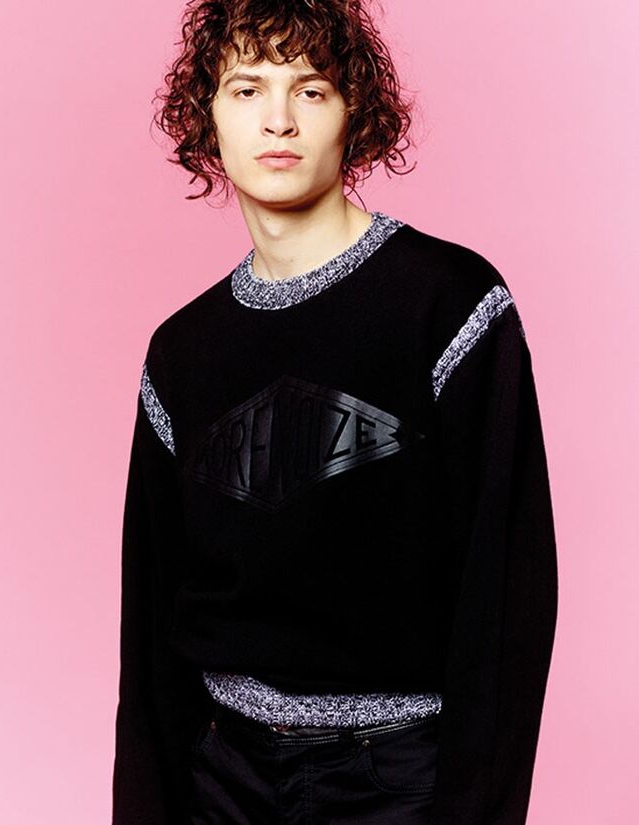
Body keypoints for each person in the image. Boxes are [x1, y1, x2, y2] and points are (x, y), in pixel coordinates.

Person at [111, 1, 559, 823]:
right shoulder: (181, 353)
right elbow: (151, 633)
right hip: (224, 777)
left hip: (399, 780)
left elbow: (506, 599)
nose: (278, 120)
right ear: (207, 114)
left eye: (311, 90)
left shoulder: (450, 304)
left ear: (355, 113)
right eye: (247, 89)